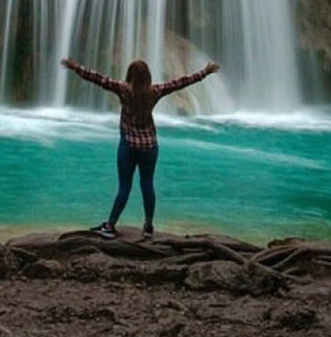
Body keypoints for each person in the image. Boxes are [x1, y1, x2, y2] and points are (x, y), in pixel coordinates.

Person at [61, 57, 220, 240]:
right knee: (147, 184)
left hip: (128, 145)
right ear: (148, 77)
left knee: (124, 187)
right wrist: (205, 72)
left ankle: (110, 226)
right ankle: (148, 226)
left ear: (130, 75)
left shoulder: (123, 90)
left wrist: (75, 67)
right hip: (150, 146)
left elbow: (98, 78)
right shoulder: (155, 91)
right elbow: (181, 83)